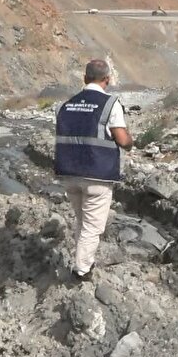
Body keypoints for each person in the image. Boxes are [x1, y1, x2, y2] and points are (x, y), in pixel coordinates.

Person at [54, 58, 134, 282]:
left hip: (69, 173)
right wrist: (130, 143)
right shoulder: (110, 104)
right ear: (107, 79)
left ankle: (82, 261)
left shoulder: (66, 105)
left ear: (85, 78)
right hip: (97, 174)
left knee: (82, 221)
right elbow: (122, 139)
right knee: (92, 226)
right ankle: (82, 270)